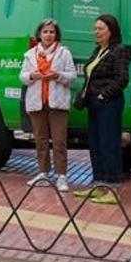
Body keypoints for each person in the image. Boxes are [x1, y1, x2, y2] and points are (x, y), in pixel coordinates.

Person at [74, 14, 130, 204]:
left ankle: (113, 189)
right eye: (95, 28)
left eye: (100, 29)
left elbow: (122, 79)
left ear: (111, 31)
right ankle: (99, 184)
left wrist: (103, 94)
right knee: (96, 145)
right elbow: (90, 77)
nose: (96, 32)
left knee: (109, 145)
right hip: (93, 104)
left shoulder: (118, 50)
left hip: (109, 104)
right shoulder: (97, 50)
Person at [19, 19, 77, 192]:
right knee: (40, 139)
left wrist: (57, 75)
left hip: (57, 103)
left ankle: (61, 176)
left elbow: (72, 76)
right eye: (45, 32)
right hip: (37, 102)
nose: (48, 35)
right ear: (39, 34)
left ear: (56, 35)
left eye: (52, 32)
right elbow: (22, 76)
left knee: (59, 140)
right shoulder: (30, 54)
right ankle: (43, 173)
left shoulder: (64, 53)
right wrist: (32, 75)